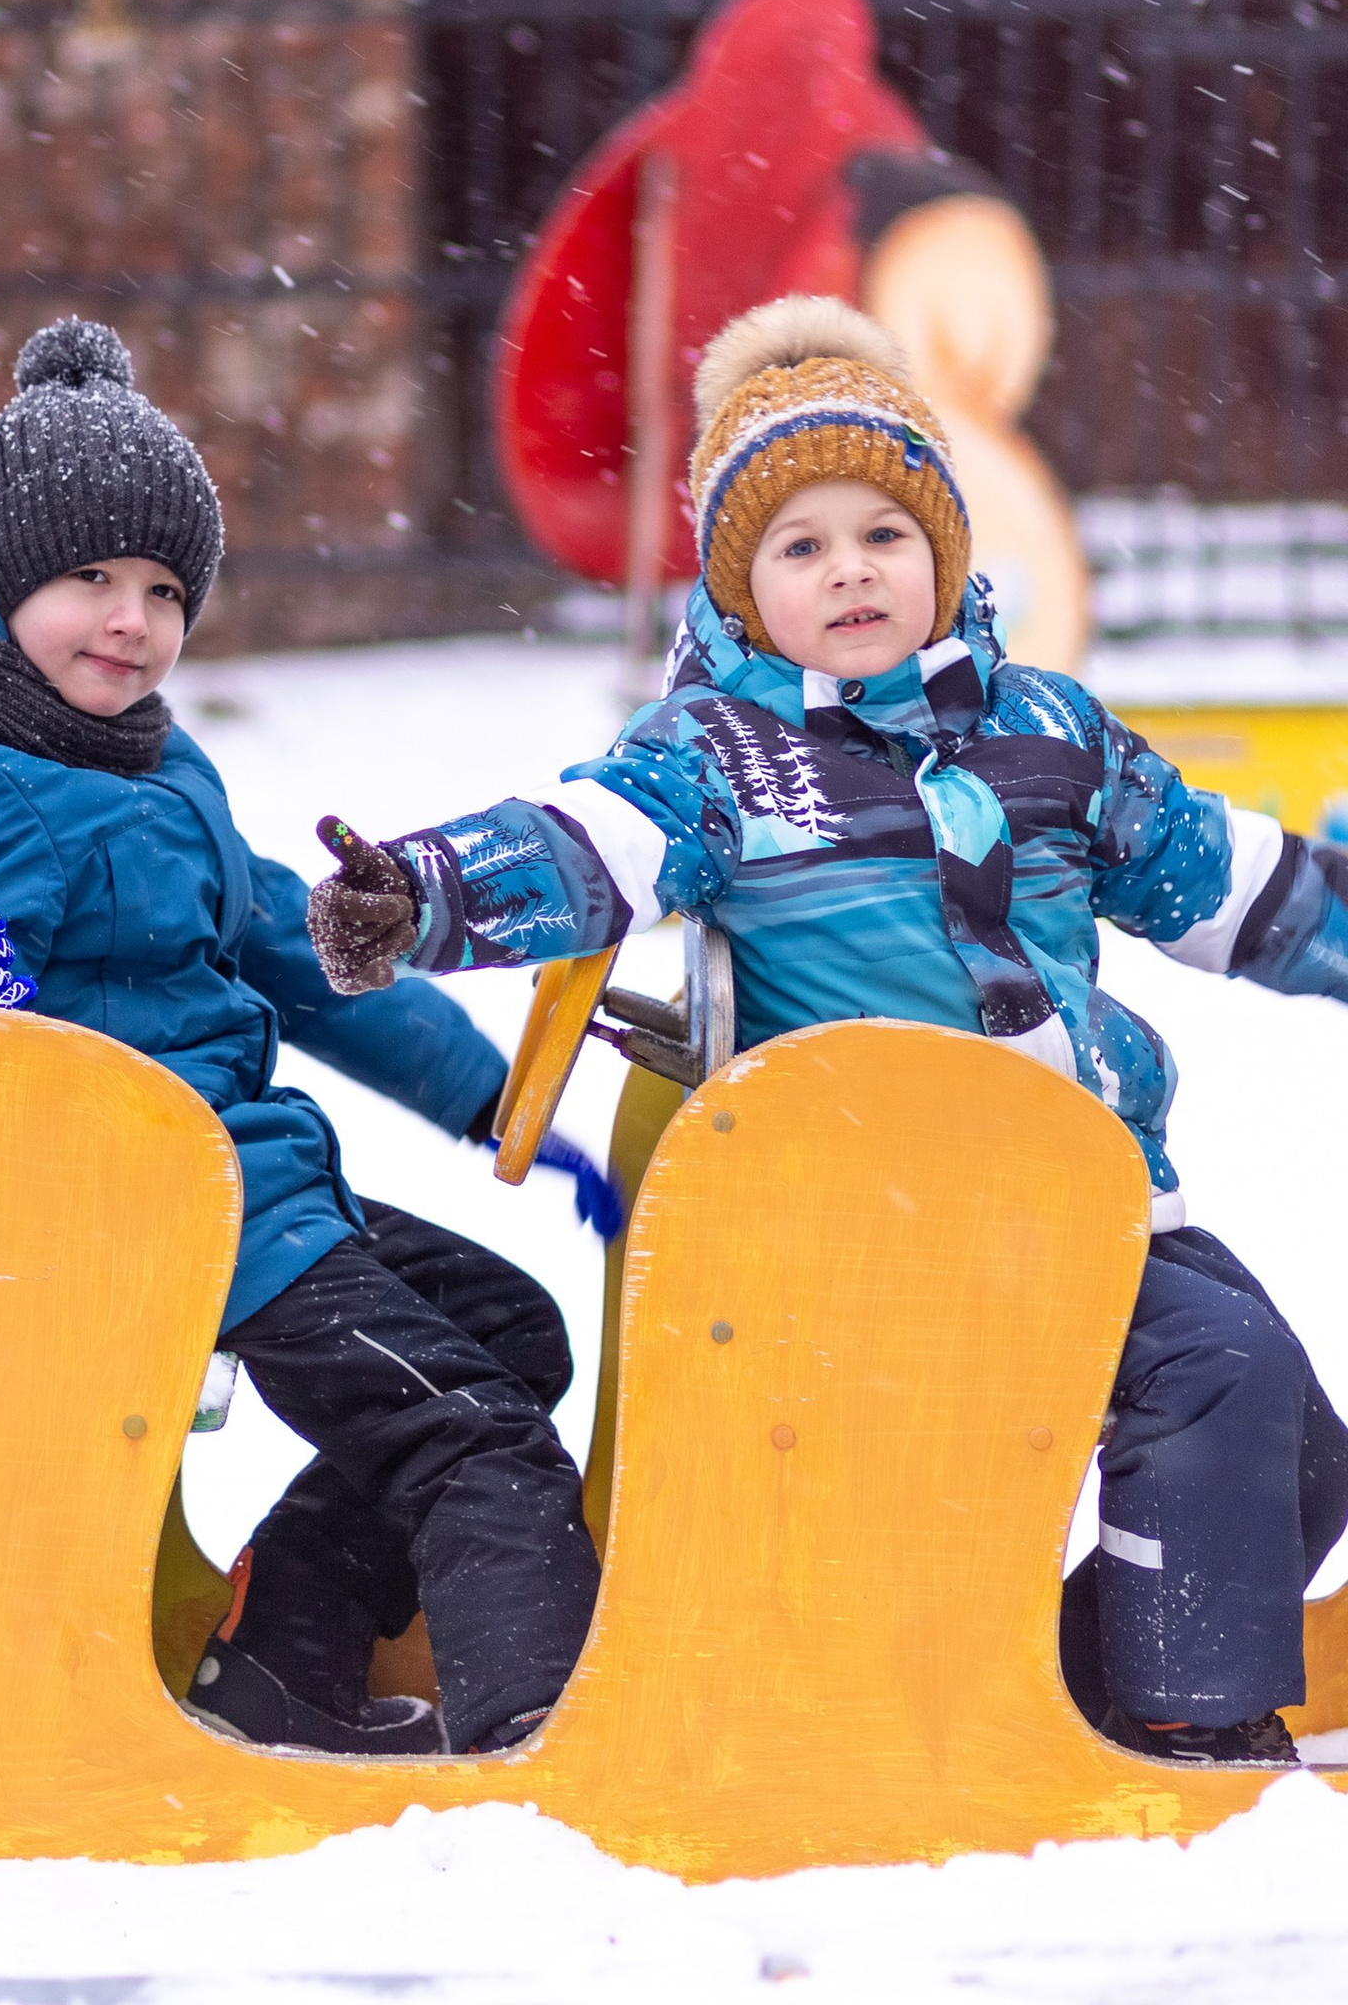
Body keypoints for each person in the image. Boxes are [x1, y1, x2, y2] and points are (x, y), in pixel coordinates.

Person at [309, 293, 1348, 1768]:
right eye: (802, 547)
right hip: (889, 1197)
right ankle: (1191, 1723)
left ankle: (1071, 1685)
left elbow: (1229, 886)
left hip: (1093, 1180)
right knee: (1215, 1373)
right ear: (745, 591)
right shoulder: (716, 762)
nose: (851, 571)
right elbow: (578, 848)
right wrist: (418, 895)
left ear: (945, 554)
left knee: (1300, 1442)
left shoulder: (1049, 733)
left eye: (884, 534)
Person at [0, 317, 609, 1759]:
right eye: (89, 579)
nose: (130, 620)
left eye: (165, 589)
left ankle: (286, 1667)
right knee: (469, 1430)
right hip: (135, 1198)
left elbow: (282, 940)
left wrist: (489, 1095)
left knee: (504, 1334)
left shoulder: (143, 761)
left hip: (243, 1182)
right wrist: (1, 1097)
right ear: (1, 582)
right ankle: (543, 1744)